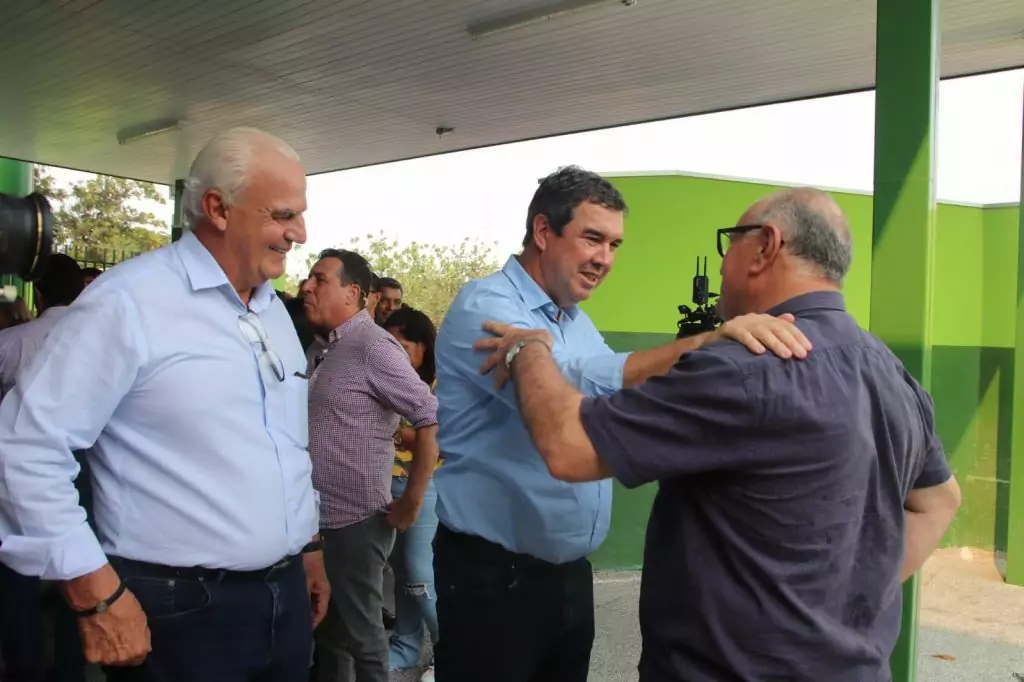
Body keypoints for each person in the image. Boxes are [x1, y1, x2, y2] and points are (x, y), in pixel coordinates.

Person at [477, 187, 962, 681]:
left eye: (730, 242)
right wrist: (840, 606)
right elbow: (940, 500)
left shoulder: (746, 370)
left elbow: (568, 447)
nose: (726, 261)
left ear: (766, 246)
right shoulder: (892, 373)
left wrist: (528, 349)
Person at [431, 165, 812, 682]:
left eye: (614, 245)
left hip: (565, 577)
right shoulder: (489, 306)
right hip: (493, 579)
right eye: (593, 239)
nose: (604, 259)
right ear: (544, 232)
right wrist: (707, 342)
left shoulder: (574, 320)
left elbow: (623, 388)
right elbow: (579, 379)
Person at [0, 127, 330, 682]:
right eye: (281, 215)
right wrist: (93, 591)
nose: (299, 232)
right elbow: (25, 449)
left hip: (283, 597)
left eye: (298, 214)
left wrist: (309, 546)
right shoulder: (128, 303)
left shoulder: (272, 309)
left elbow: (282, 447)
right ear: (216, 209)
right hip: (179, 611)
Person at [301, 250, 438, 682]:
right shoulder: (320, 348)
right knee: (330, 633)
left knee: (364, 638)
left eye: (319, 279)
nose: (307, 286)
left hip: (355, 521)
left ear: (352, 292)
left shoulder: (373, 346)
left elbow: (428, 415)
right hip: (315, 524)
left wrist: (413, 501)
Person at [0, 253, 88, 682]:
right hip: (88, 468)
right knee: (83, 563)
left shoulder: (14, 341)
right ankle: (73, 666)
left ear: (41, 293)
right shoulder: (102, 340)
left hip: (17, 467)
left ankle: (25, 667)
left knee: (16, 564)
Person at [382, 306, 440, 681]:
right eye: (389, 343)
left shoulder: (439, 386)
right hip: (385, 485)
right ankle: (405, 645)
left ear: (424, 349)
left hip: (425, 487)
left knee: (420, 574)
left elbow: (447, 440)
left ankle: (452, 648)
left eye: (403, 345)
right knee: (401, 571)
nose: (394, 352)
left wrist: (405, 435)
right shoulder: (383, 381)